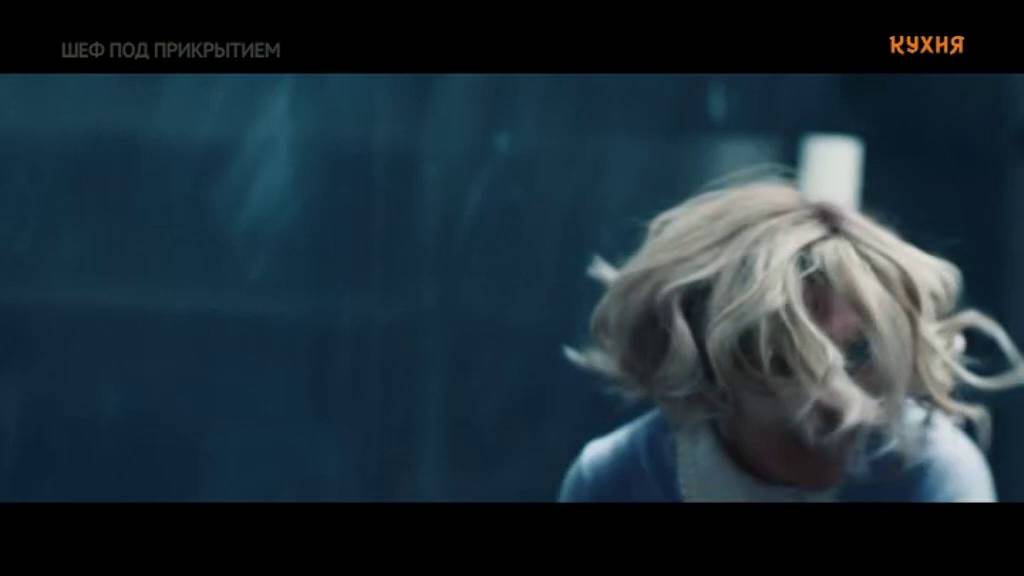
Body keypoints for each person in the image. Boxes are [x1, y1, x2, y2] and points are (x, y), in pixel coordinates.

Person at [560, 173, 1024, 502]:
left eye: (859, 352)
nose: (836, 399)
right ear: (708, 360)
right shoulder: (617, 477)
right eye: (784, 360)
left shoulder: (932, 469)